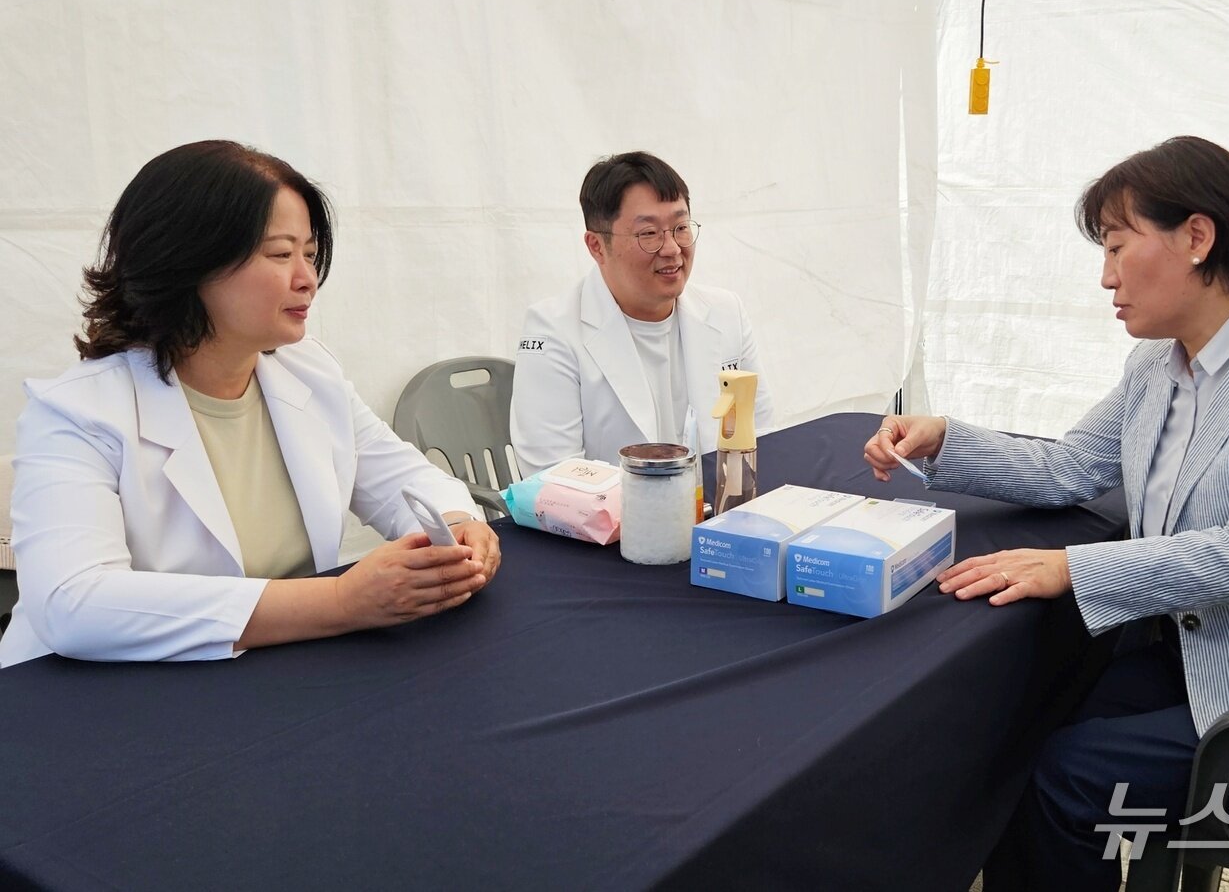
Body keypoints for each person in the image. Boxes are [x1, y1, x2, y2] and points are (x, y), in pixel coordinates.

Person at [865, 136, 1229, 888]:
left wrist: (1068, 567)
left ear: (1197, 236)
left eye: (1117, 247)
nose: (1106, 277)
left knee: (1064, 779)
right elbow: (1066, 467)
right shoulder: (1158, 363)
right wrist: (944, 438)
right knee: (1012, 733)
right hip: (1200, 665)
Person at [0, 140, 501, 667]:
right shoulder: (76, 413)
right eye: (281, 254)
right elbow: (75, 605)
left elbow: (399, 475)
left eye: (309, 253)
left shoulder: (310, 371)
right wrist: (340, 601)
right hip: (101, 698)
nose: (307, 278)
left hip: (276, 676)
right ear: (187, 263)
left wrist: (457, 523)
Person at [510, 151, 774, 476]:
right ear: (596, 246)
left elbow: (761, 439)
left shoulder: (725, 312)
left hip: (716, 514)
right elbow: (554, 480)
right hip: (617, 524)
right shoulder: (552, 330)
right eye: (648, 234)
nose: (672, 249)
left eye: (680, 227)